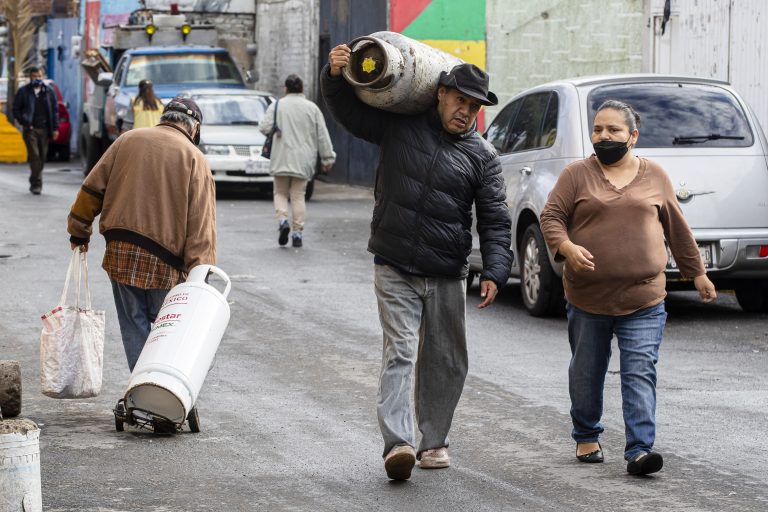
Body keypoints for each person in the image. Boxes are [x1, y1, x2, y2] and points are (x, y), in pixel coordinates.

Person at [321, 47, 512, 481]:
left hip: (446, 271)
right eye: (460, 100)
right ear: (441, 94)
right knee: (401, 352)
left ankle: (433, 442)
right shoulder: (399, 126)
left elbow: (497, 219)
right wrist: (334, 76)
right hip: (394, 264)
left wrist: (497, 270)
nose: (466, 111)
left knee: (446, 360)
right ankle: (399, 444)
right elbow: (349, 114)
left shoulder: (483, 157)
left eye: (474, 105)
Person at [540, 99, 717, 476]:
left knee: (639, 370)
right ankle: (586, 433)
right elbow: (551, 216)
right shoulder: (576, 175)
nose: (604, 137)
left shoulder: (655, 176)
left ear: (633, 136)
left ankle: (639, 450)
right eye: (598, 130)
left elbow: (677, 228)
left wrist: (697, 272)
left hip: (644, 296)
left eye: (614, 130)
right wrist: (567, 248)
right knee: (587, 372)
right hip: (588, 298)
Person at [67, 97, 217, 373]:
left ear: (165, 117)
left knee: (134, 325)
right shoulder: (195, 158)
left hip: (120, 252)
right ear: (194, 128)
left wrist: (79, 232)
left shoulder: (127, 139)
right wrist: (200, 273)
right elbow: (201, 225)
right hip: (164, 261)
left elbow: (91, 189)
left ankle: (140, 388)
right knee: (167, 330)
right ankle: (161, 390)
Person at [259, 74, 335, 248]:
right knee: (298, 196)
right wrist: (327, 158)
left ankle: (283, 220)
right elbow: (322, 135)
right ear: (302, 89)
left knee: (280, 193)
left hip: (281, 157)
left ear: (285, 89)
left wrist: (276, 129)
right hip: (304, 160)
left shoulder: (277, 105)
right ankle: (298, 233)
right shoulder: (312, 108)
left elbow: (264, 127)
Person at [12, 67, 59, 195]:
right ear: (30, 77)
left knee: (42, 157)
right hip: (30, 130)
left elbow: (55, 111)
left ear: (42, 76)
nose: (36, 78)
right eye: (34, 76)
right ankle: (36, 185)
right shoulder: (23, 92)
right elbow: (15, 109)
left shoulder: (49, 92)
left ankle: (34, 178)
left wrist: (55, 128)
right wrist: (25, 122)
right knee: (35, 156)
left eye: (38, 75)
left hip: (44, 130)